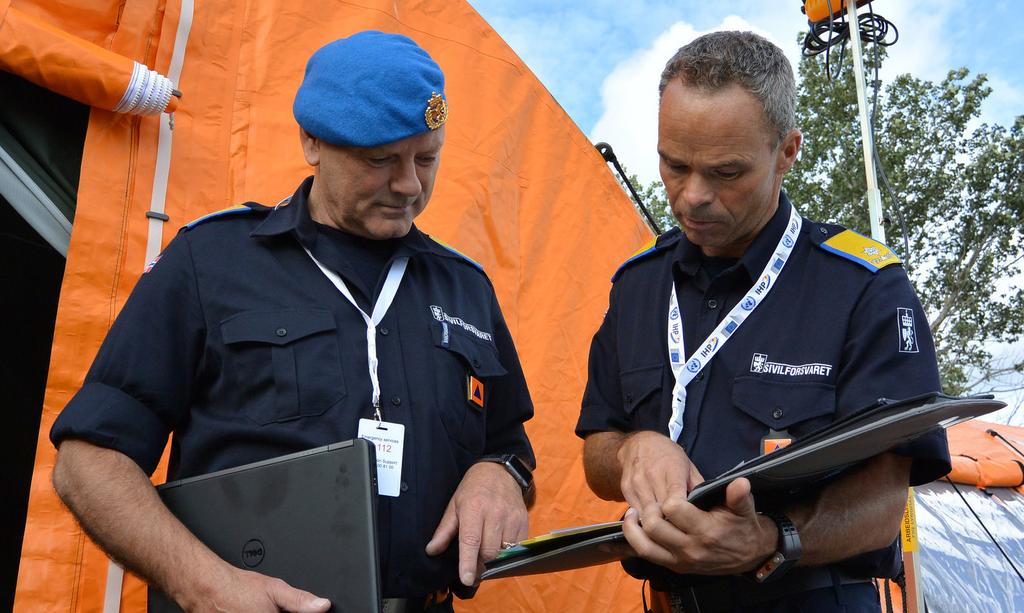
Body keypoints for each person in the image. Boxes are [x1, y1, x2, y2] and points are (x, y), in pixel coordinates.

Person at [50, 31, 535, 613]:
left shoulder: (466, 288)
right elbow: (89, 462)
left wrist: (500, 474)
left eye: (426, 158)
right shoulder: (210, 261)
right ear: (311, 141)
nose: (409, 184)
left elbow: (509, 446)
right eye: (381, 160)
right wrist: (202, 584)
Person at [576, 31, 949, 612]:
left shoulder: (864, 287)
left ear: (787, 151)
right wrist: (632, 450)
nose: (692, 196)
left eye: (726, 173)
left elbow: (884, 504)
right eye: (673, 165)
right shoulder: (636, 287)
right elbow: (598, 448)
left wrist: (772, 540)